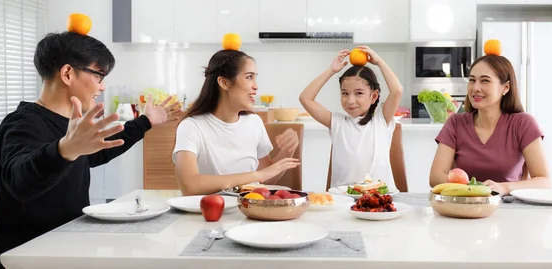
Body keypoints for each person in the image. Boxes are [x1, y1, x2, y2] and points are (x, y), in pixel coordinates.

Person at [0, 32, 181, 268]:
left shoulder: (68, 125)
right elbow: (19, 180)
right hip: (29, 256)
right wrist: (63, 150)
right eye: (99, 75)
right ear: (68, 73)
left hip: (68, 245)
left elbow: (99, 150)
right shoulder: (22, 123)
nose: (102, 86)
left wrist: (145, 122)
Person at [172, 49, 300, 196]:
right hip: (209, 213)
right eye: (249, 77)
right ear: (224, 83)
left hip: (249, 211)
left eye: (255, 78)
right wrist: (256, 176)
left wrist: (287, 151)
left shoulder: (254, 123)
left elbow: (265, 179)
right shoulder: (191, 126)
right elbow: (189, 185)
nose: (256, 86)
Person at [429, 54, 551, 195]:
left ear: (505, 88)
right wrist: (474, 189)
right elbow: (435, 177)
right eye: (472, 80)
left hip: (509, 208)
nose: (475, 88)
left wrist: (504, 188)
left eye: (485, 81)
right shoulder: (455, 123)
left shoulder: (523, 123)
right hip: (466, 206)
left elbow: (545, 181)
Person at [299, 46, 403, 189]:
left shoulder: (380, 120)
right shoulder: (337, 122)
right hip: (343, 198)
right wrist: (331, 71)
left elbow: (397, 91)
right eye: (345, 93)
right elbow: (305, 98)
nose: (350, 100)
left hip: (379, 197)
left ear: (373, 96)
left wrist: (379, 62)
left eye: (359, 93)